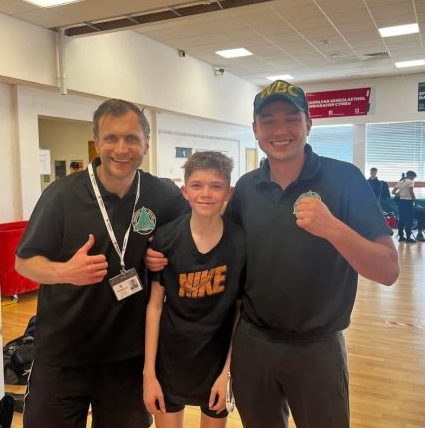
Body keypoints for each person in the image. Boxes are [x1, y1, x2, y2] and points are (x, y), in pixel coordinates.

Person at [146, 80, 399, 428]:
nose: (280, 130)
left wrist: (332, 227)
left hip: (318, 347)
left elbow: (388, 270)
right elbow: (217, 248)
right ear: (255, 130)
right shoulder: (247, 188)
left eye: (291, 118)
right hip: (253, 344)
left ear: (308, 123)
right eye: (268, 120)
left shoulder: (345, 179)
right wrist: (161, 258)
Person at [15, 99, 188, 428]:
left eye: (131, 138)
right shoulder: (61, 196)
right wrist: (64, 272)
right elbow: (24, 262)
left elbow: (191, 239)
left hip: (127, 360)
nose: (121, 149)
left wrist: (165, 254)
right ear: (97, 142)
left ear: (146, 144)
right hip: (63, 356)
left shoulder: (162, 194)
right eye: (111, 138)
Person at [143, 152, 245, 428]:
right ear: (185, 191)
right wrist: (149, 373)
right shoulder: (166, 237)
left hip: (216, 362)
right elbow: (155, 305)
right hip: (169, 360)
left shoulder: (241, 242)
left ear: (228, 193)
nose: (206, 194)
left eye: (216, 186)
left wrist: (228, 372)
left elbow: (240, 310)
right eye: (197, 186)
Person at [392, 170, 417, 243]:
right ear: (410, 176)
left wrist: (400, 195)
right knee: (409, 219)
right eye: (413, 177)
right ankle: (408, 238)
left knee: (401, 219)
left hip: (401, 202)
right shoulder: (410, 181)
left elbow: (393, 192)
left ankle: (401, 236)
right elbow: (411, 191)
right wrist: (414, 198)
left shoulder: (401, 181)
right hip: (408, 202)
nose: (413, 179)